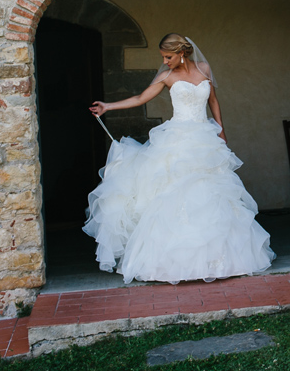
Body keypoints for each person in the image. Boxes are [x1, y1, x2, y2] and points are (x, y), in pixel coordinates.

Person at [84, 34, 275, 284]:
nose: (165, 61)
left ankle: (220, 260)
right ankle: (173, 262)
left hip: (205, 139)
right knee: (175, 194)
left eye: (168, 56)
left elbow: (214, 101)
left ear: (182, 53)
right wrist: (108, 106)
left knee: (211, 194)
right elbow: (140, 98)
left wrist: (221, 129)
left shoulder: (204, 69)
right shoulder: (166, 76)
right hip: (178, 140)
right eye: (163, 57)